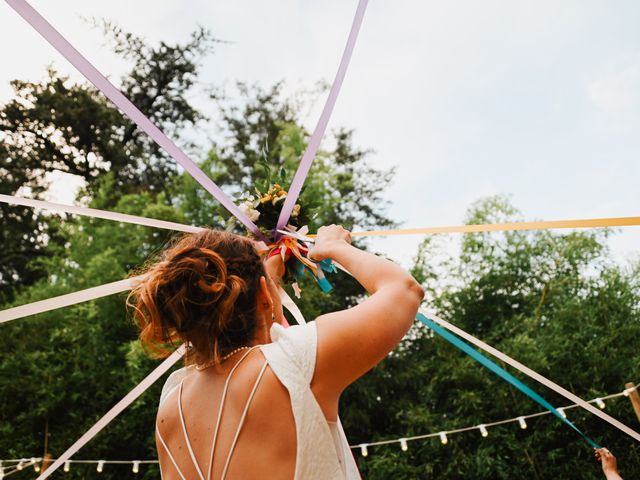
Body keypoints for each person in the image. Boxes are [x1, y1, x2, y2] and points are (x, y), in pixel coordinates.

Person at [128, 225, 424, 480]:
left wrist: (266, 276)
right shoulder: (295, 364)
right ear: (263, 294)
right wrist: (333, 247)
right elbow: (403, 290)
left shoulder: (171, 403)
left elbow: (258, 345)